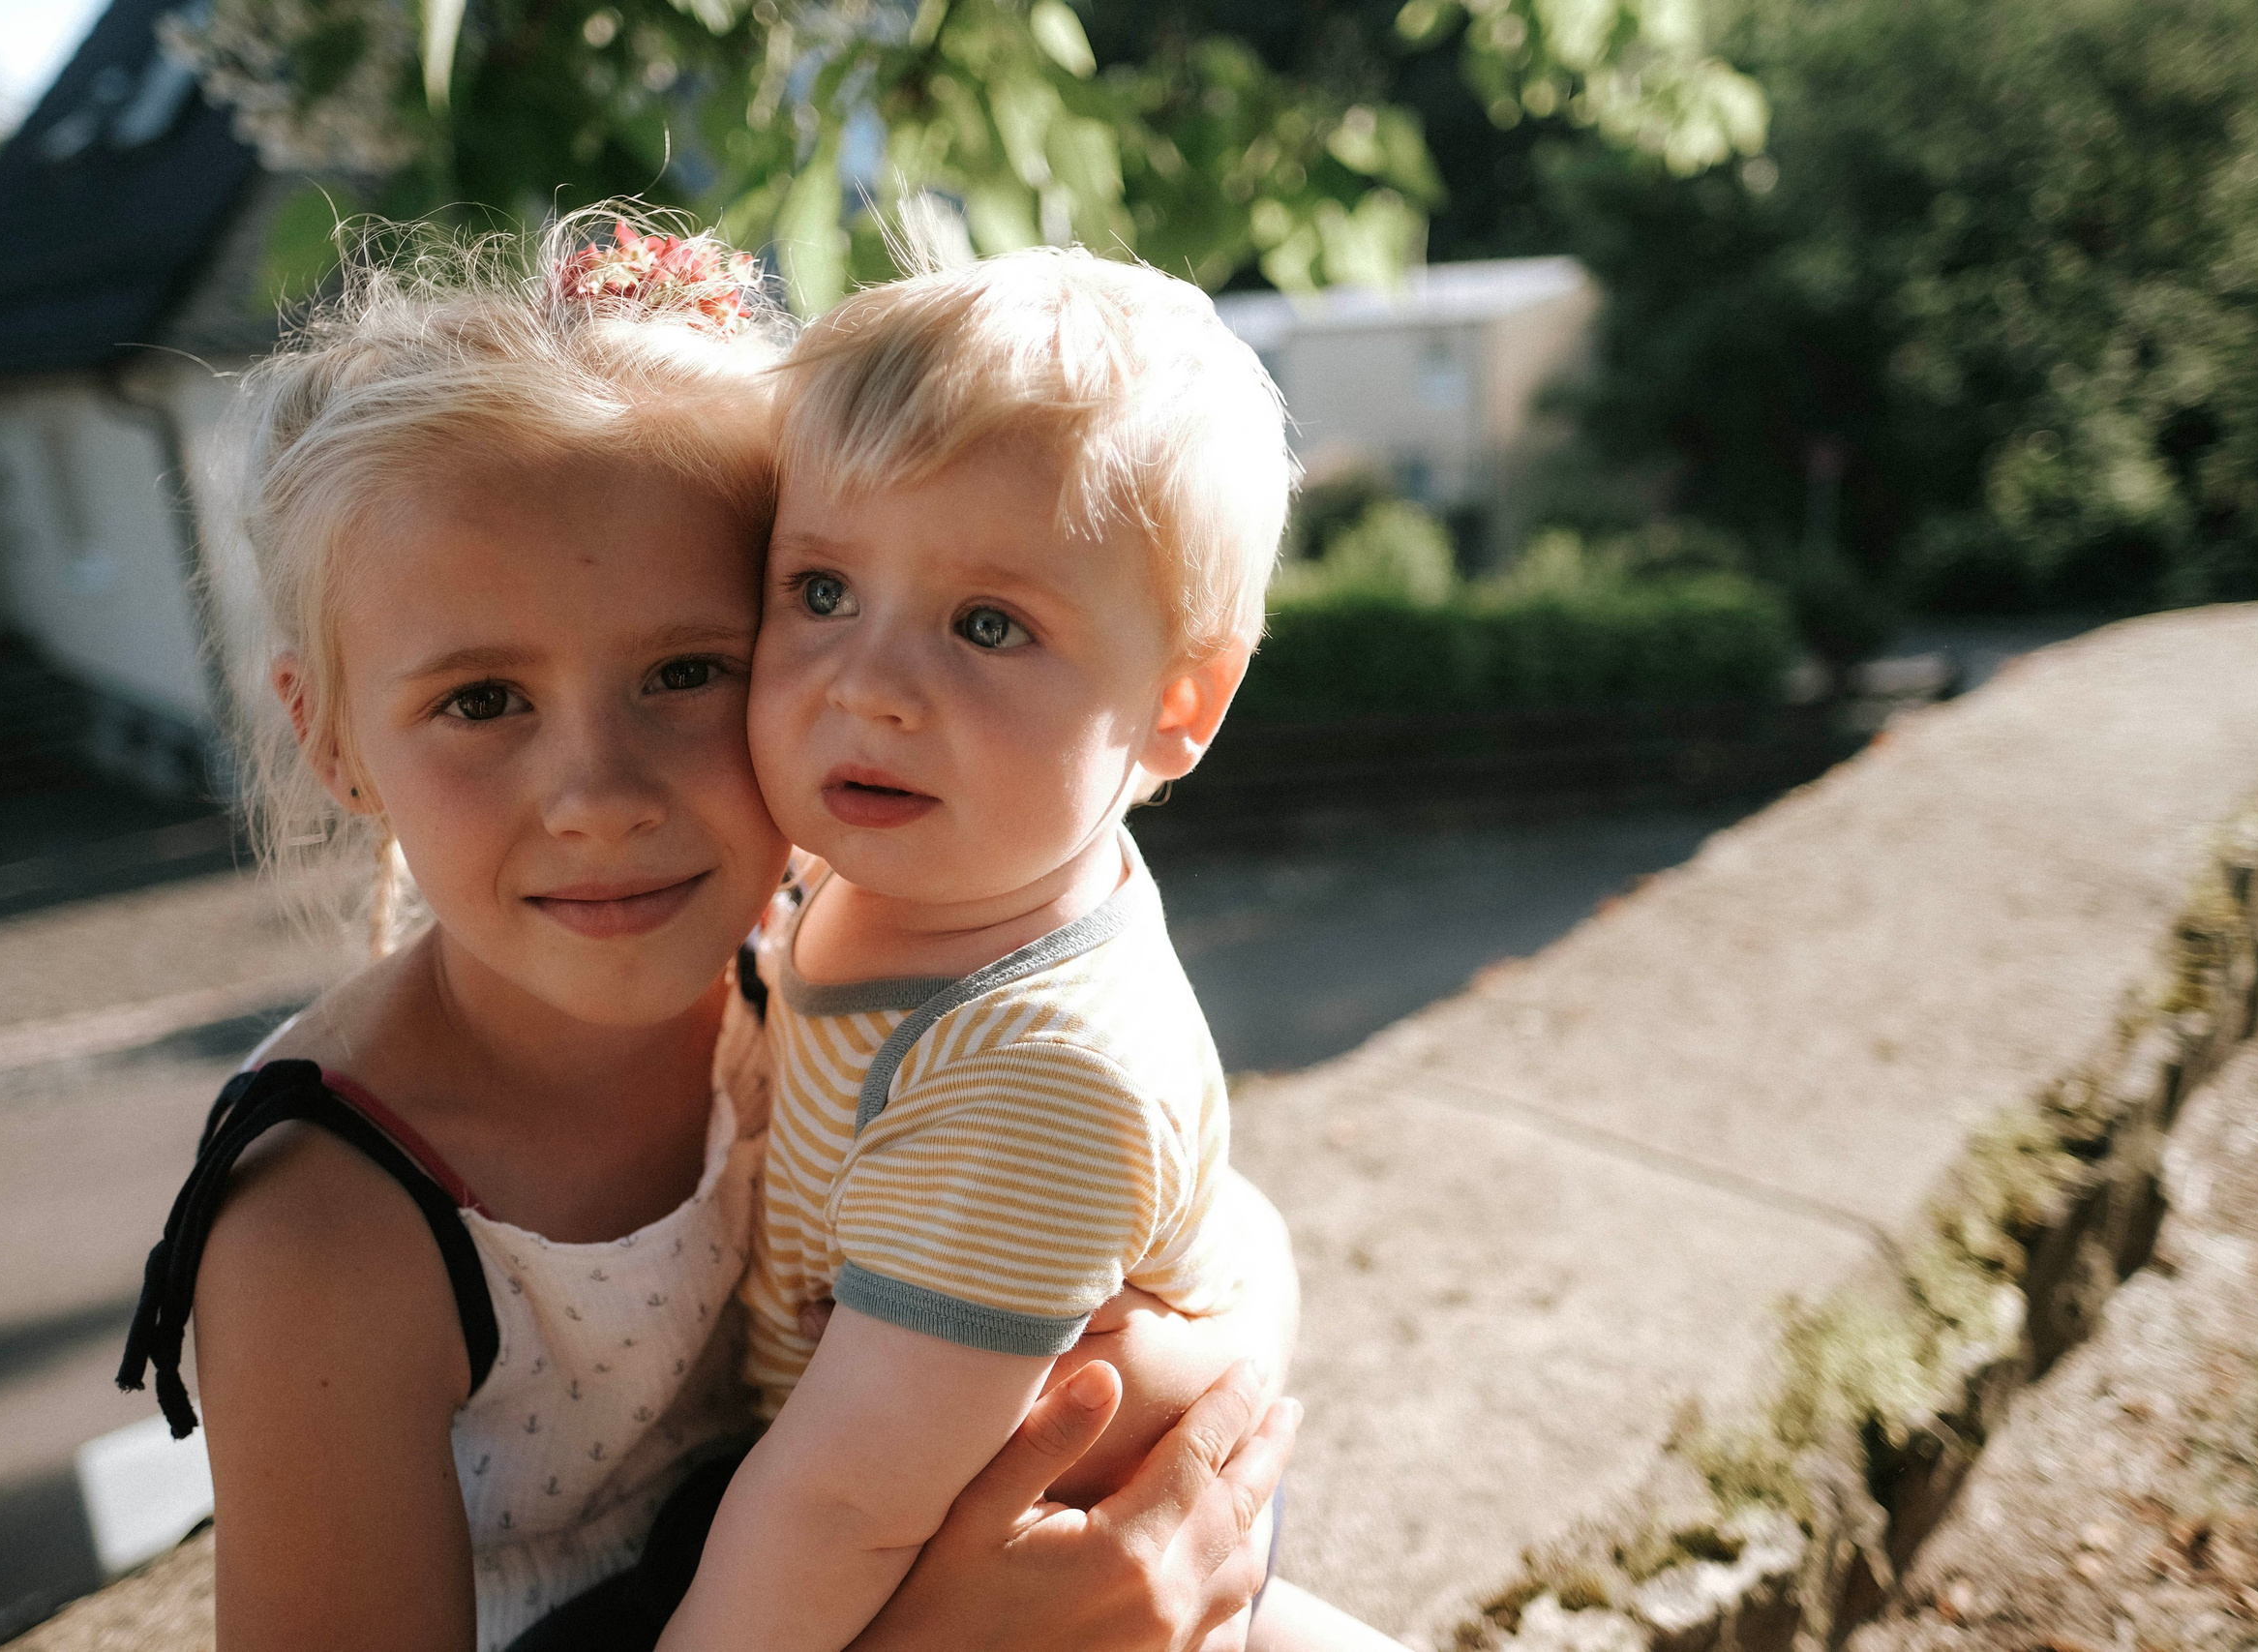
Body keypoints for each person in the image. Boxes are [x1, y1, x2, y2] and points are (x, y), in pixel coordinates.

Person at [115, 211, 1300, 1652]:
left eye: (686, 670)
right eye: (482, 700)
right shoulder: (329, 1232)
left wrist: (1202, 1350)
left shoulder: (823, 950)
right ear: (335, 739)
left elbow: (1177, 1186)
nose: (599, 798)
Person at [652, 248, 1398, 1652]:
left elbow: (835, 1509)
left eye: (988, 625)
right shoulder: (941, 868)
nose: (866, 686)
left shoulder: (1028, 1062)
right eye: (818, 591)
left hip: (1015, 1579)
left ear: (1179, 705)